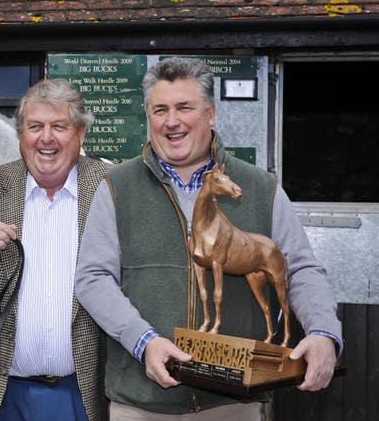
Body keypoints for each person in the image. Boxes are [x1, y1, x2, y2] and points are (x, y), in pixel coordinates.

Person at [74, 57, 342, 420]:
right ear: (148, 117)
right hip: (140, 402)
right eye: (160, 109)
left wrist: (324, 331)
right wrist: (144, 342)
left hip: (235, 403)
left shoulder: (262, 188)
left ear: (211, 114)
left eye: (185, 107)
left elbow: (302, 270)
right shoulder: (116, 188)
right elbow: (93, 280)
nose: (172, 121)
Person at [0, 78, 109, 420]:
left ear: (81, 134)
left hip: (84, 390)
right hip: (4, 394)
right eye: (35, 127)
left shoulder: (110, 187)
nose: (46, 138)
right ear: (20, 135)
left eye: (59, 126)